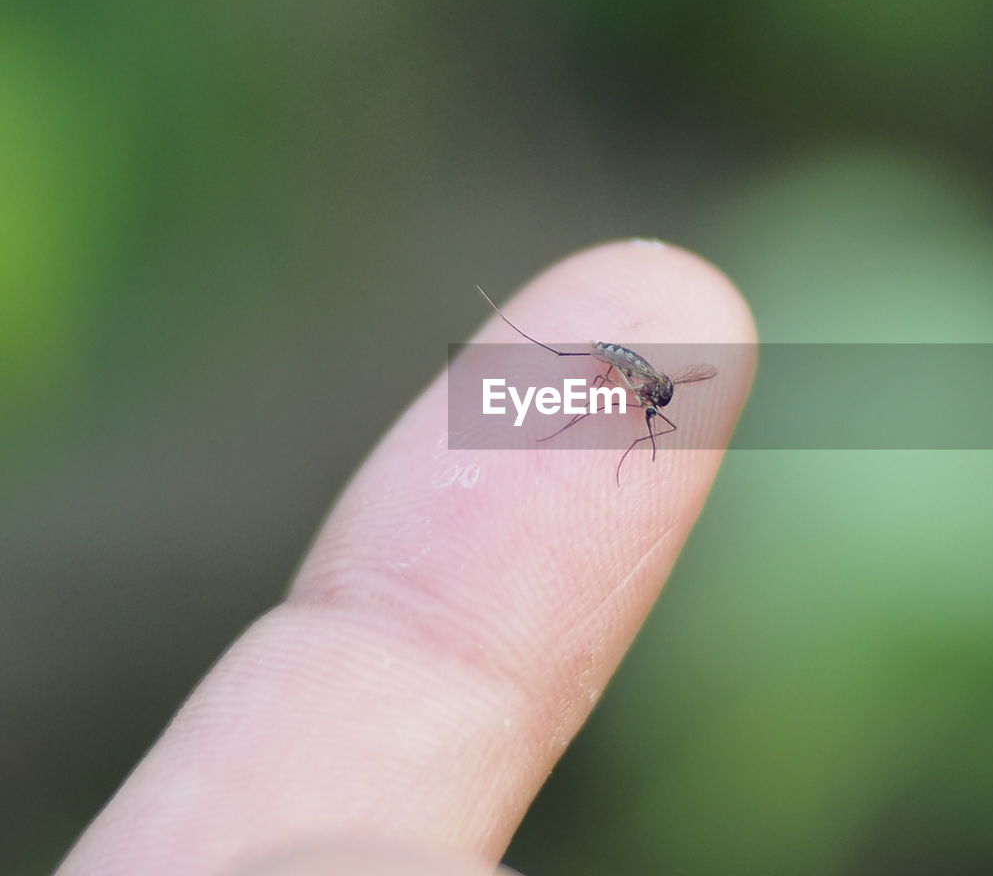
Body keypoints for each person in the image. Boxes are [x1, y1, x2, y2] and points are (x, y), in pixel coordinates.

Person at [56, 242, 757, 876]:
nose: (651, 407)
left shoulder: (656, 387)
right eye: (652, 402)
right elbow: (643, 384)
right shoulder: (646, 386)